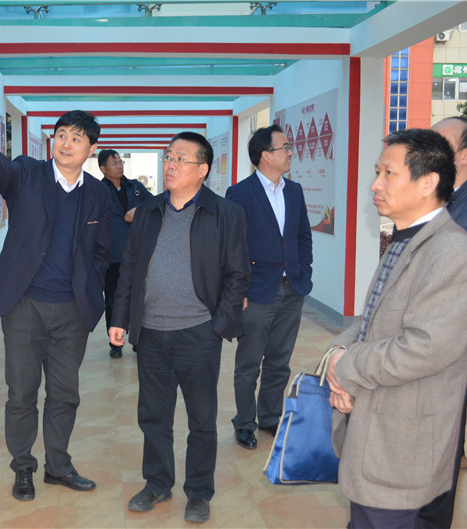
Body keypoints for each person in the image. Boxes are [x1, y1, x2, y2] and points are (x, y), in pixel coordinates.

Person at [0, 110, 111, 502]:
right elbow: (1, 171)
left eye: (77, 138)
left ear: (91, 148)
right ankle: (23, 468)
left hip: (72, 311)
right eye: (62, 135)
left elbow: (104, 252)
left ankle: (58, 466)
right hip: (25, 305)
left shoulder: (98, 193)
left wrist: (90, 288)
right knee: (21, 392)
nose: (66, 143)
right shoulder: (27, 174)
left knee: (65, 393)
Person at [325, 128, 467, 529]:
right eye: (378, 172)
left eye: (388, 173)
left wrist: (346, 367)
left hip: (402, 441)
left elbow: (426, 347)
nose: (375, 184)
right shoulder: (407, 239)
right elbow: (372, 317)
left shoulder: (452, 251)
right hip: (376, 427)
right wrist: (337, 353)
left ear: (428, 183)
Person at [108, 132, 249, 523]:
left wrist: (217, 326)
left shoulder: (225, 213)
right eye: (168, 156)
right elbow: (129, 270)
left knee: (201, 420)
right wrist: (120, 319)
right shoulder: (148, 212)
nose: (170, 164)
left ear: (202, 170)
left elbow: (238, 275)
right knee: (153, 416)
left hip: (199, 334)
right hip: (151, 334)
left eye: (180, 159)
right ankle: (157, 483)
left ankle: (199, 492)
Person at [225, 124, 313, 450]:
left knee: (279, 361)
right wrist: (239, 291)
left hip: (292, 289)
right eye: (284, 147)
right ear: (265, 155)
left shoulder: (295, 191)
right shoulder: (239, 193)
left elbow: (303, 237)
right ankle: (245, 423)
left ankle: (270, 417)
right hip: (257, 292)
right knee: (249, 364)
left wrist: (305, 272)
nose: (290, 152)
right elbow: (231, 247)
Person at [417, 116, 467, 528]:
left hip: (454, 340)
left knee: (441, 438)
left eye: (440, 142)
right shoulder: (441, 199)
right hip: (430, 337)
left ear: (466, 156)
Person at [98, 149, 152, 358]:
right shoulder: (98, 191)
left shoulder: (135, 187)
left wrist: (138, 210)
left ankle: (138, 341)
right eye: (114, 163)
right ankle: (115, 343)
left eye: (120, 162)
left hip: (138, 253)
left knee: (140, 298)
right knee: (112, 300)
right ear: (103, 169)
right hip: (111, 256)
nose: (119, 166)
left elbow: (154, 203)